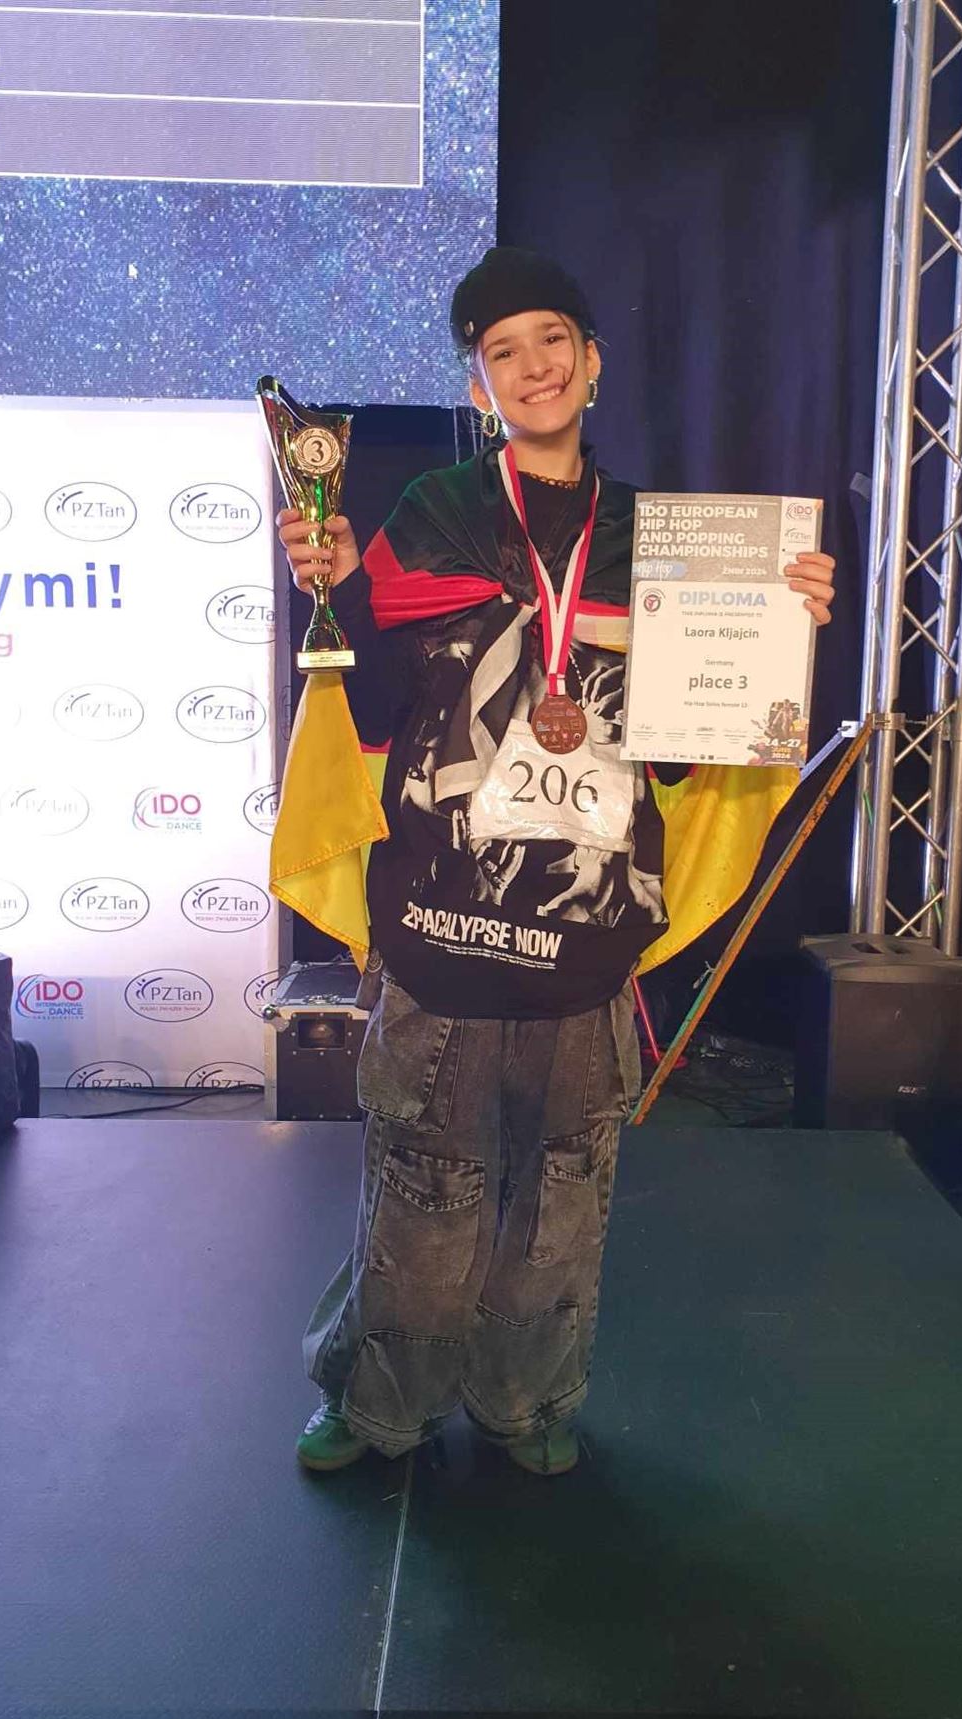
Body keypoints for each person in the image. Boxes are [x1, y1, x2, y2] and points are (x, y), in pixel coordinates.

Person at [275, 246, 836, 1476]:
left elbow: (689, 750)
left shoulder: (666, 542)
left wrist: (779, 628)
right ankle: (377, 1404)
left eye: (551, 340)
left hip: (589, 943)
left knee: (562, 1204)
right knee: (422, 1192)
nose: (532, 366)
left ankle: (525, 1403)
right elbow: (370, 701)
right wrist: (337, 590)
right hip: (442, 930)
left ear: (592, 361)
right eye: (502, 351)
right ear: (478, 386)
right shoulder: (432, 518)